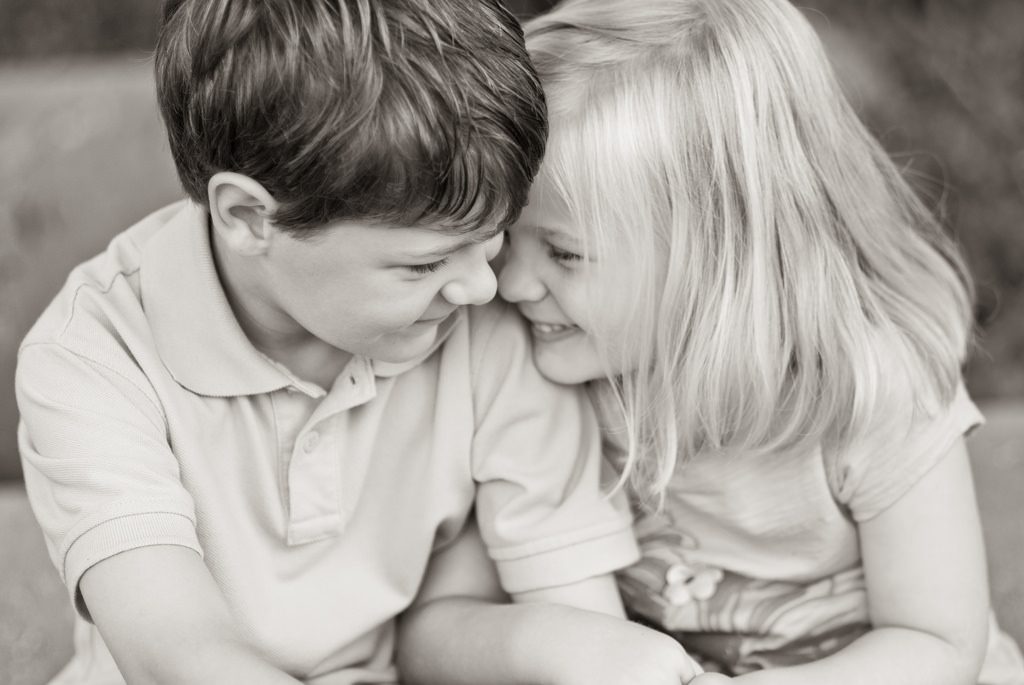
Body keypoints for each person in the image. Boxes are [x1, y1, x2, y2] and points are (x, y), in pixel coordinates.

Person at [15, 1, 646, 683]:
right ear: (249, 216)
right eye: (424, 263)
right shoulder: (93, 357)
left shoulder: (489, 326)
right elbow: (180, 654)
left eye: (491, 240)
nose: (483, 288)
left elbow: (577, 614)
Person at [398, 0, 1024, 683]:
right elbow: (433, 633)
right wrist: (564, 647)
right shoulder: (531, 369)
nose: (511, 285)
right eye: (504, 240)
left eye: (566, 253)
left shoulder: (870, 393)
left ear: (724, 256)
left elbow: (936, 641)